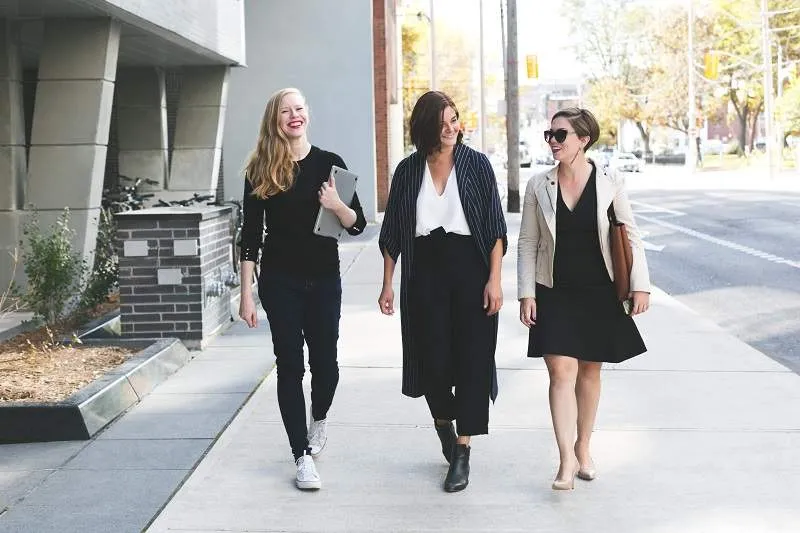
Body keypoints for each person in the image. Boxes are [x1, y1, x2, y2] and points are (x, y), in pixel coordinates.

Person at [378, 91, 507, 493]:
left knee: (472, 358)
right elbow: (394, 232)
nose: (452, 128)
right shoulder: (407, 170)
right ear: (426, 127)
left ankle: (463, 453)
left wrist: (495, 279)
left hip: (470, 268)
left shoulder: (476, 164)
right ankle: (442, 424)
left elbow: (495, 227)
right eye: (444, 121)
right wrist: (388, 283)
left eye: (455, 119)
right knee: (430, 359)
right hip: (424, 273)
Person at [238, 87, 366, 491]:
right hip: (280, 283)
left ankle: (319, 418)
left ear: (307, 114)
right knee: (290, 366)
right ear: (274, 120)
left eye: (298, 109)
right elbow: (250, 238)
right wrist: (246, 294)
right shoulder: (261, 169)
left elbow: (357, 224)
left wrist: (336, 205)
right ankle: (301, 455)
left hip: (324, 280)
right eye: (284, 111)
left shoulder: (331, 165)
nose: (293, 116)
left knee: (326, 365)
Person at [517, 107, 651, 491]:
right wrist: (526, 293)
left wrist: (640, 285)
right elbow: (528, 243)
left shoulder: (610, 181)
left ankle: (584, 446)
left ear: (583, 140)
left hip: (598, 289)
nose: (553, 142)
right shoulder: (538, 185)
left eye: (560, 135)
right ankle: (565, 460)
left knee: (590, 372)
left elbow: (630, 234)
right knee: (560, 372)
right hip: (554, 291)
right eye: (550, 135)